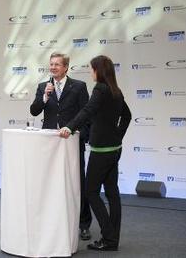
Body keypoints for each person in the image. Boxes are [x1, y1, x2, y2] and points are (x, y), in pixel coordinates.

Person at [59, 55, 131, 251]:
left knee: (91, 191)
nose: (90, 72)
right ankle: (113, 238)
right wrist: (118, 135)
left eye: (91, 69)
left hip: (101, 151)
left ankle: (108, 237)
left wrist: (69, 128)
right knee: (112, 193)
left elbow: (87, 111)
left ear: (98, 70)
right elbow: (127, 116)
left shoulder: (100, 89)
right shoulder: (116, 90)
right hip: (114, 149)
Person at [30, 52, 93, 240]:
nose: (53, 67)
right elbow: (34, 111)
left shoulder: (79, 86)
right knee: (48, 181)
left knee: (78, 181)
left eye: (57, 64)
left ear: (66, 67)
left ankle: (83, 224)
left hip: (72, 141)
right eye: (51, 64)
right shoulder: (43, 87)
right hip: (49, 141)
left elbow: (86, 113)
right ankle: (50, 221)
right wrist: (45, 97)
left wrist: (83, 137)